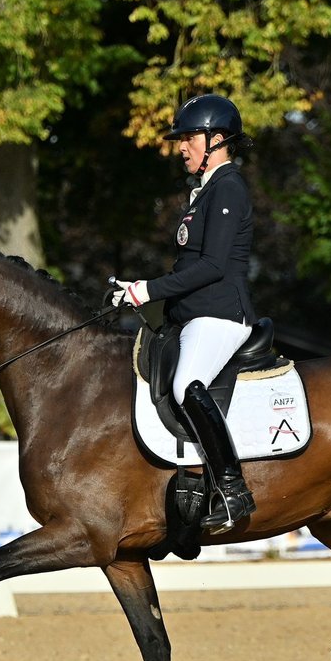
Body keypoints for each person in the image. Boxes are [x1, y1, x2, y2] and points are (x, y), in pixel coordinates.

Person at [112, 93, 257, 532]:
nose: (181, 147)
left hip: (220, 314)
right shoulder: (205, 192)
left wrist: (148, 290)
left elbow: (212, 267)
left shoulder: (228, 187)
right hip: (193, 314)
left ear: (217, 139)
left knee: (185, 384)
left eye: (189, 138)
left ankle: (233, 490)